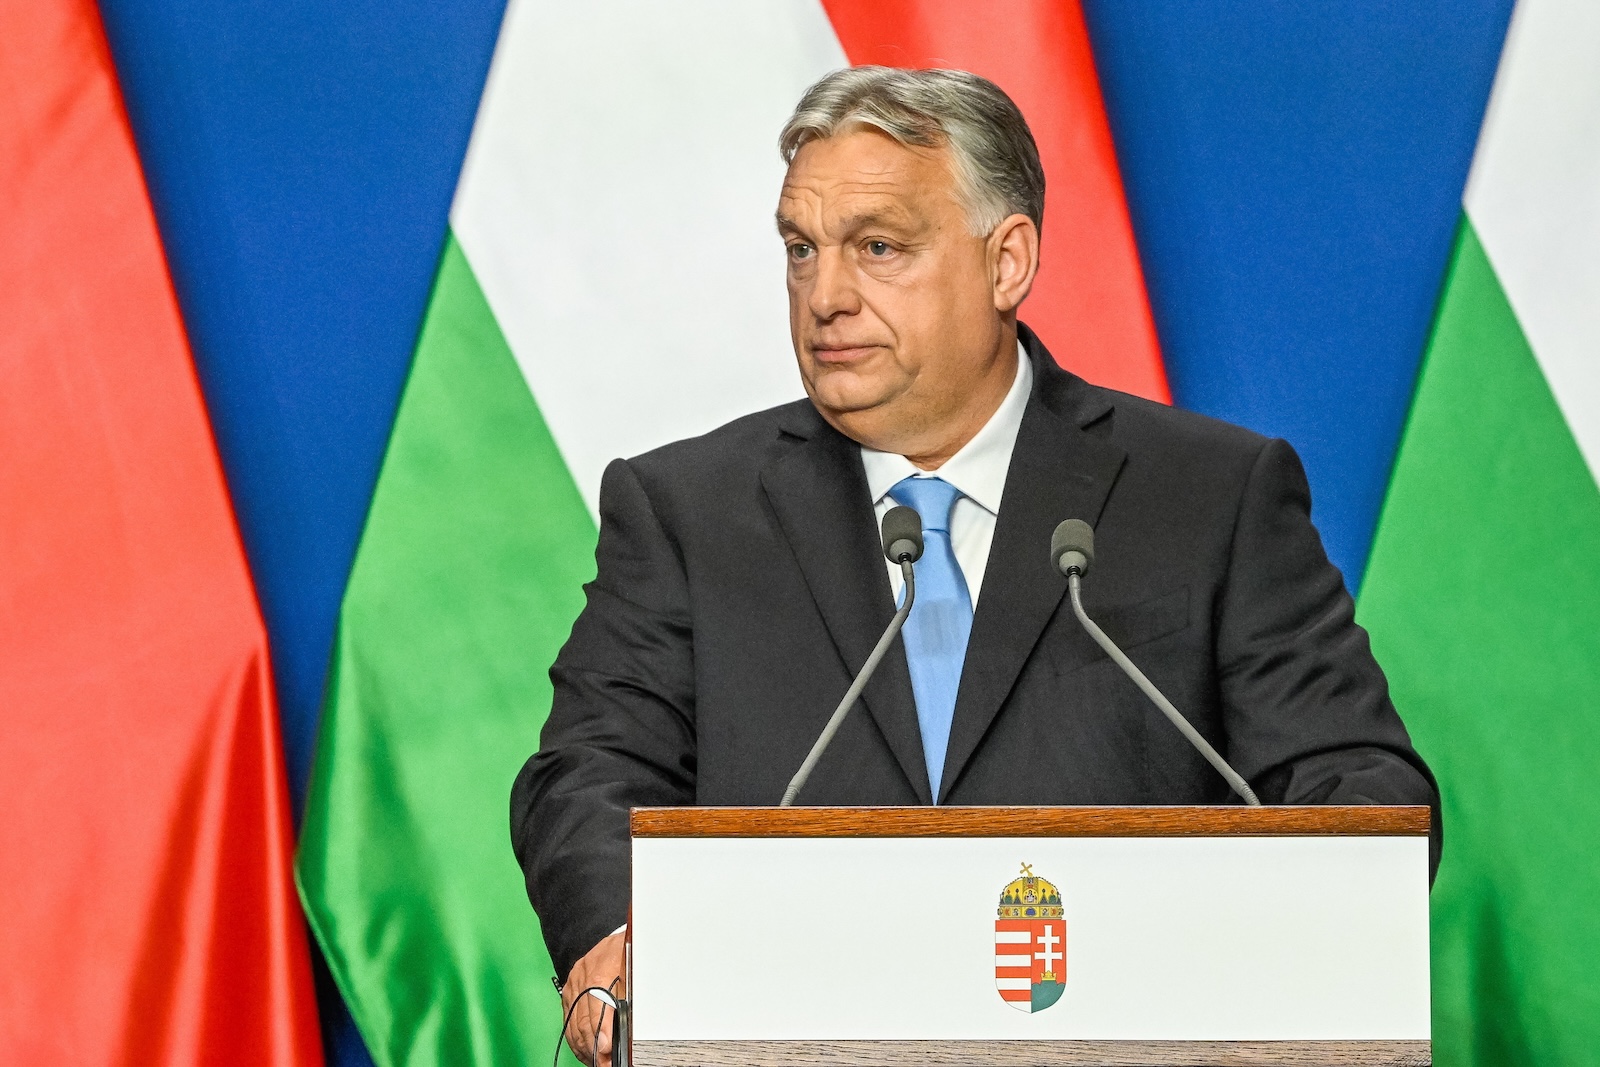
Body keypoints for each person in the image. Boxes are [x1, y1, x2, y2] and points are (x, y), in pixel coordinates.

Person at [511, 66, 1439, 1066]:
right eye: (799, 249)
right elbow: (587, 769)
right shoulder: (689, 511)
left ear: (1006, 262)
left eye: (877, 247)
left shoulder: (1211, 495)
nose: (825, 295)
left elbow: (1358, 785)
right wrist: (616, 934)